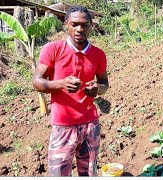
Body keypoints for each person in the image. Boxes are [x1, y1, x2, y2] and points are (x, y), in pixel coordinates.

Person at [32, 6, 109, 176]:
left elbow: (104, 83)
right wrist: (61, 84)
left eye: (84, 25)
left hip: (90, 125)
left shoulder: (98, 54)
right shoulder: (53, 49)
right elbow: (37, 82)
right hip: (63, 127)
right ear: (66, 24)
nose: (79, 29)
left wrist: (98, 89)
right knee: (59, 174)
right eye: (74, 24)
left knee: (89, 173)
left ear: (91, 26)